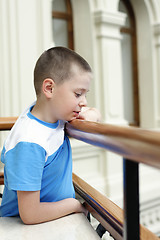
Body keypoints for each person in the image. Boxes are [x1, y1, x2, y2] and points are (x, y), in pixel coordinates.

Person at [0, 47, 100, 224]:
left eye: (85, 94)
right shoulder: (29, 142)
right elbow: (30, 215)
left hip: (53, 222)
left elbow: (93, 112)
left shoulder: (51, 113)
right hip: (27, 230)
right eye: (78, 94)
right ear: (49, 88)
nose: (83, 102)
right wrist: (74, 205)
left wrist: (90, 115)